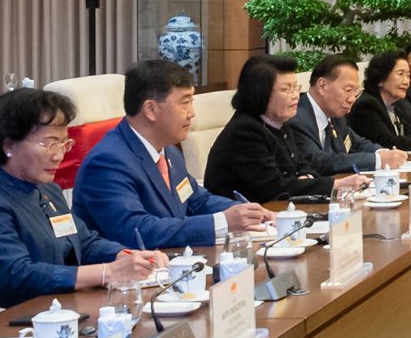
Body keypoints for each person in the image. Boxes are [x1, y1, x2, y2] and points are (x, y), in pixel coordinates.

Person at [0, 88, 165, 308]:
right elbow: (19, 275)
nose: (59, 155)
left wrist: (126, 256)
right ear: (8, 146)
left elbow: (84, 243)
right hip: (16, 320)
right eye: (50, 144)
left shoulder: (48, 190)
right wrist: (108, 272)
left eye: (64, 143)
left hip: (65, 308)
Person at [73, 58, 272, 250]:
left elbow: (197, 201)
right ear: (151, 109)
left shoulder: (168, 151)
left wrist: (249, 213)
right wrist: (220, 222)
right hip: (126, 270)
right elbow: (136, 230)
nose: (192, 112)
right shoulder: (107, 162)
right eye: (185, 102)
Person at [204, 55, 372, 206]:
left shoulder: (279, 123)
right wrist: (335, 185)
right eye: (286, 89)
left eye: (295, 87)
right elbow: (274, 186)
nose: (295, 95)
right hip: (246, 218)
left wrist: (306, 177)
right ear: (260, 92)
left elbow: (303, 163)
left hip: (277, 210)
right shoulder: (245, 131)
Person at [286, 55, 407, 176]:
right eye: (348, 90)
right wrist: (378, 160)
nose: (352, 99)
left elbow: (358, 144)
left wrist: (383, 153)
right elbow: (319, 161)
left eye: (356, 92)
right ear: (322, 86)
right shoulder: (297, 118)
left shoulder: (336, 115)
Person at [351, 50, 411, 151]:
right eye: (400, 74)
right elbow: (388, 142)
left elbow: (410, 130)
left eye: (408, 75)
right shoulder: (366, 105)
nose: (406, 81)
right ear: (381, 78)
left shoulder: (393, 104)